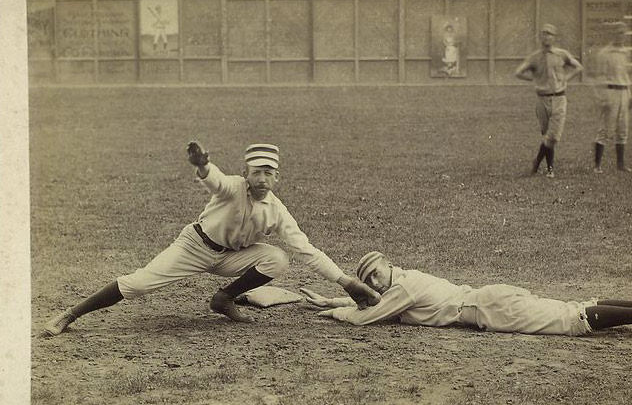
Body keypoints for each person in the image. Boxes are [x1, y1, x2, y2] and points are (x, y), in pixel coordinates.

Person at [43, 142, 380, 336]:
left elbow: (308, 251)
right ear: (245, 172)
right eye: (256, 172)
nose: (262, 178)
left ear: (277, 177)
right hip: (194, 246)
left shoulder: (276, 211)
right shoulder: (232, 186)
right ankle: (71, 314)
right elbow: (213, 179)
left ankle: (223, 299)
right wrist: (203, 165)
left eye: (269, 173)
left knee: (277, 258)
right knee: (140, 284)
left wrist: (348, 283)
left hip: (231, 257)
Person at [301, 251, 632, 341]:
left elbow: (369, 316)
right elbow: (377, 305)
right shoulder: (403, 281)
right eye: (370, 279)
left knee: (568, 320)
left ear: (388, 265)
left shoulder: (402, 287)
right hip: (488, 300)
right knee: (568, 309)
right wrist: (333, 299)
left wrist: (339, 313)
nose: (375, 282)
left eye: (375, 273)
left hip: (486, 307)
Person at [514, 24, 584, 179]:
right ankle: (550, 169)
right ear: (540, 37)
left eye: (550, 34)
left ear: (554, 37)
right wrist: (534, 80)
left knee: (552, 136)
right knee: (547, 135)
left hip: (559, 98)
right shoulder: (535, 57)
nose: (547, 37)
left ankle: (536, 163)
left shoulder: (561, 54)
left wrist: (566, 78)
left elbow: (578, 67)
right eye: (544, 34)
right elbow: (518, 72)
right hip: (542, 100)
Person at [592, 21, 632, 173]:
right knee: (605, 129)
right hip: (610, 92)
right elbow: (599, 77)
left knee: (623, 128)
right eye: (617, 32)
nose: (620, 36)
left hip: (624, 91)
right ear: (612, 34)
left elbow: (629, 75)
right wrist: (602, 98)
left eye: (622, 33)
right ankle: (597, 165)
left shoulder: (627, 52)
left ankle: (621, 164)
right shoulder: (605, 53)